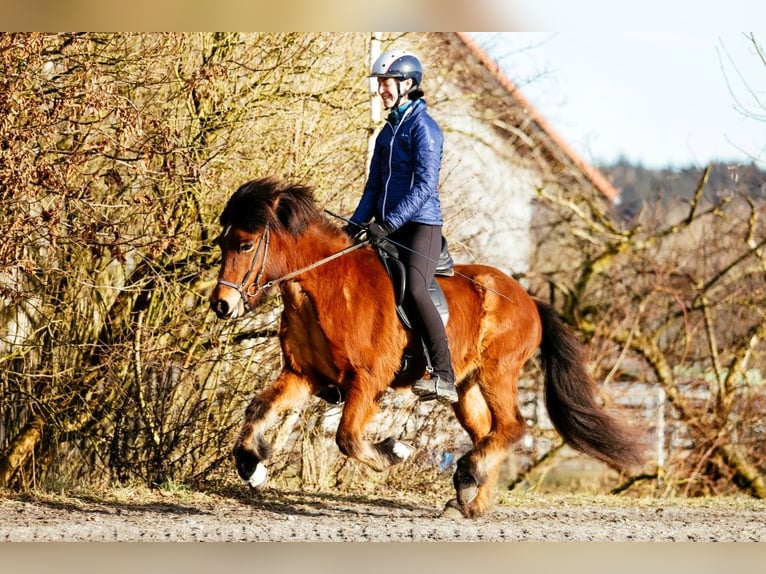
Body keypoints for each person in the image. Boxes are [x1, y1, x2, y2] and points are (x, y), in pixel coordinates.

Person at [344, 49, 458, 404]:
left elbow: (425, 186)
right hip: (387, 226)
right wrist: (352, 228)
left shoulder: (424, 129)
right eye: (379, 83)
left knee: (415, 290)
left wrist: (390, 222)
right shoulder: (387, 133)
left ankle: (444, 375)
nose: (381, 90)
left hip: (420, 225)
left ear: (407, 84)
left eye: (386, 83)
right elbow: (373, 188)